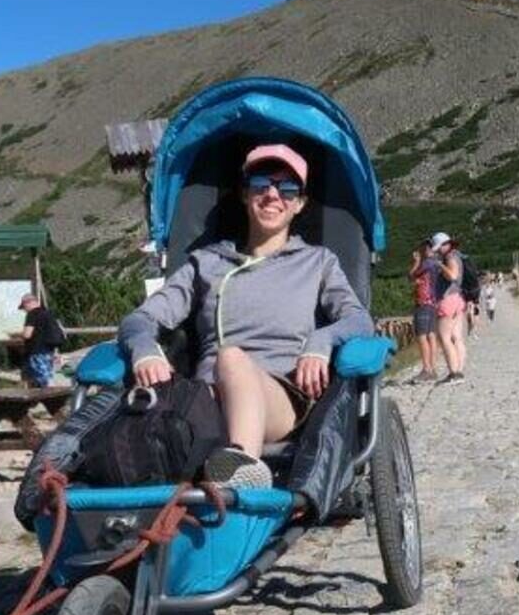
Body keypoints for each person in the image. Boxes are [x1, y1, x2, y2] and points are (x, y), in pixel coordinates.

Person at [117, 143, 372, 490]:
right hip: (204, 401)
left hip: (279, 400)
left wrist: (321, 340)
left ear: (300, 203)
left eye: (287, 189)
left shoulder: (318, 262)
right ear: (244, 193)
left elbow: (359, 320)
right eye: (261, 184)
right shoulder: (205, 263)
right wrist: (144, 346)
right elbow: (140, 319)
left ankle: (242, 478)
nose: (272, 195)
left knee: (232, 358)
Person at [429, 231, 467, 383]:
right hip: (458, 298)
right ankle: (459, 370)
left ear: (445, 245)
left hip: (448, 300)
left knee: (445, 338)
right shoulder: (458, 255)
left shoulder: (449, 257)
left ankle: (454, 372)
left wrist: (440, 265)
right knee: (457, 337)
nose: (438, 251)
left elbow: (453, 275)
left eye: (439, 248)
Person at [407, 239, 441, 383]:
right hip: (433, 302)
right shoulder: (436, 263)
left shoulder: (427, 263)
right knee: (431, 335)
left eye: (426, 247)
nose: (424, 250)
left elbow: (411, 275)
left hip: (423, 302)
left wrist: (416, 261)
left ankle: (426, 369)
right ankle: (432, 369)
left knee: (422, 337)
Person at [16, 293, 63, 388]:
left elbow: (27, 334)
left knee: (45, 381)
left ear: (27, 303)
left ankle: (54, 399)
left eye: (24, 307)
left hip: (36, 352)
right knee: (42, 378)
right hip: (49, 351)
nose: (24, 310)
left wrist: (15, 335)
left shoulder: (32, 314)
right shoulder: (48, 313)